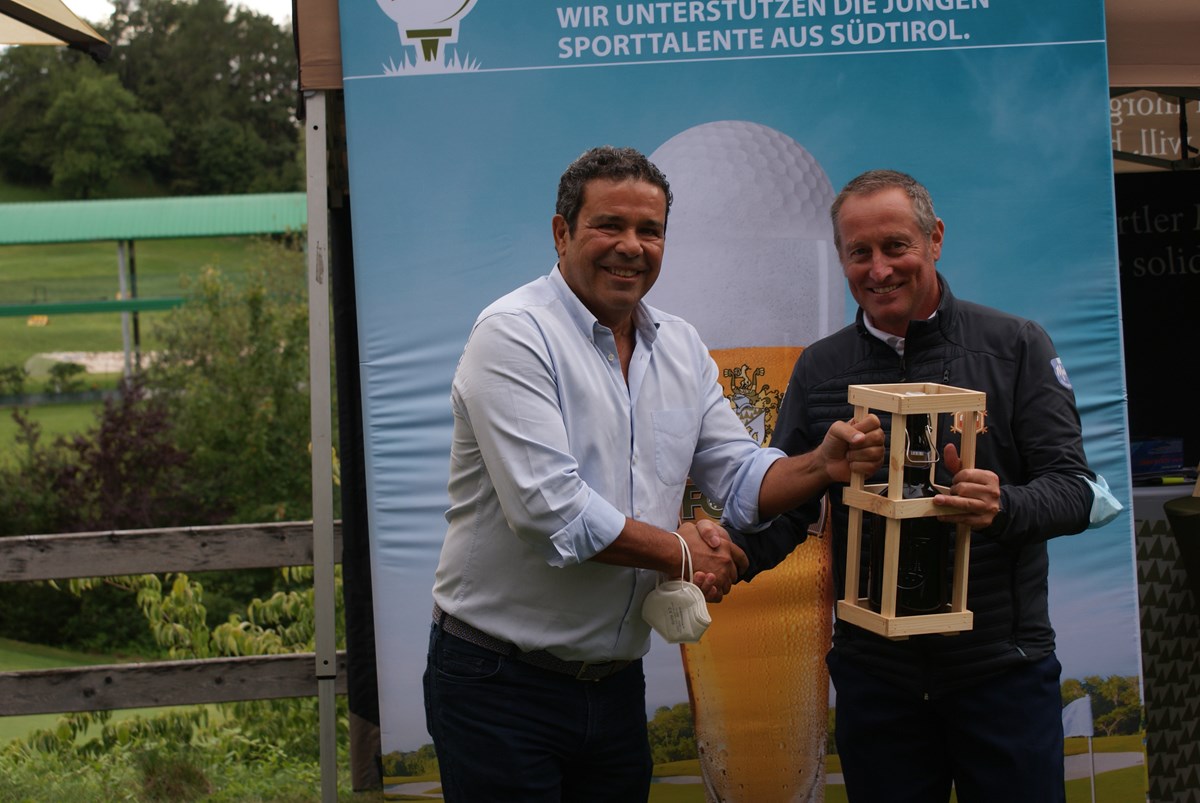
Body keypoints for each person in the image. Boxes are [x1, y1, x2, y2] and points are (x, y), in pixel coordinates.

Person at [422, 145, 884, 802]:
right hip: (499, 680)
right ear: (562, 232)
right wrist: (682, 552)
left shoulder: (680, 345)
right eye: (609, 225)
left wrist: (821, 465)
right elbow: (552, 515)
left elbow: (740, 478)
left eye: (650, 230)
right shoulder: (513, 334)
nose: (630, 246)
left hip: (612, 683)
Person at [734, 169, 1120, 802]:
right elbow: (792, 509)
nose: (879, 269)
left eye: (896, 246)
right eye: (859, 252)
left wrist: (1004, 504)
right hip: (877, 684)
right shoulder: (821, 367)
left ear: (934, 239)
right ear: (841, 259)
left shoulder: (1016, 345)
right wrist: (725, 557)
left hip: (1001, 676)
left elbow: (1078, 490)